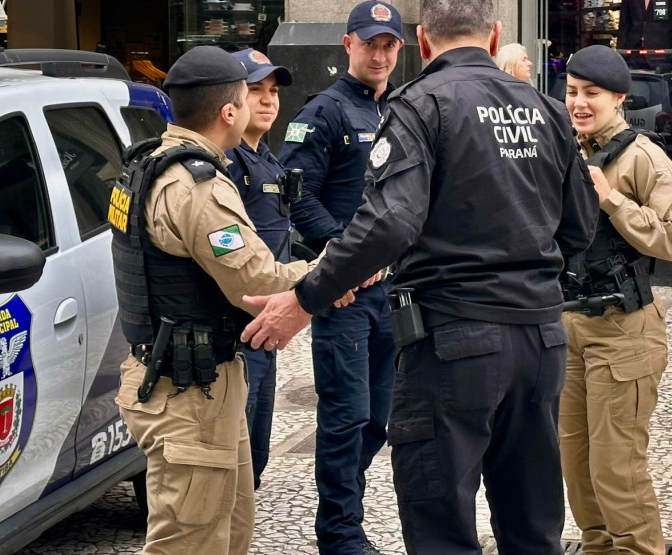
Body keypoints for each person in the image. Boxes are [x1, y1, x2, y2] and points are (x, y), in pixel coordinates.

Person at [241, 1, 599, 553]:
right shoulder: (546, 109)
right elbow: (579, 228)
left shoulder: (421, 103)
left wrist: (306, 297)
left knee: (441, 528)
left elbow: (390, 221)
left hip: (454, 342)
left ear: (423, 42)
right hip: (540, 341)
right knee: (533, 525)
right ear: (495, 33)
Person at [109, 45, 319, 555]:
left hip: (194, 380)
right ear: (230, 112)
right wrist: (324, 271)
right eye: (249, 96)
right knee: (191, 542)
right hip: (188, 393)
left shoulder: (150, 163)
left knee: (230, 530)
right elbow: (258, 285)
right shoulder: (197, 186)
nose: (256, 105)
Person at [559, 44, 672, 555]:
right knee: (575, 463)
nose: (579, 102)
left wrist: (612, 200)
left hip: (624, 331)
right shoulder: (565, 149)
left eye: (591, 93)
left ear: (618, 97)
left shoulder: (645, 157)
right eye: (572, 92)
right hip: (569, 325)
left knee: (617, 467)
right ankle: (598, 547)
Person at [277, 2, 403, 553]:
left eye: (389, 46)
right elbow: (296, 195)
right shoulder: (323, 112)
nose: (379, 55)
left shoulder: (401, 110)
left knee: (380, 417)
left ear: (400, 50)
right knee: (346, 417)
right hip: (346, 294)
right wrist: (341, 259)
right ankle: (340, 532)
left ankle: (345, 514)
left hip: (394, 295)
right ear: (348, 45)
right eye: (369, 44)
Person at [224, 48, 295, 492]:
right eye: (256, 91)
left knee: (256, 451)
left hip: (265, 322)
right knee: (235, 454)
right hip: (239, 326)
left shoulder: (264, 156)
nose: (268, 101)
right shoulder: (227, 164)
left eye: (272, 92)